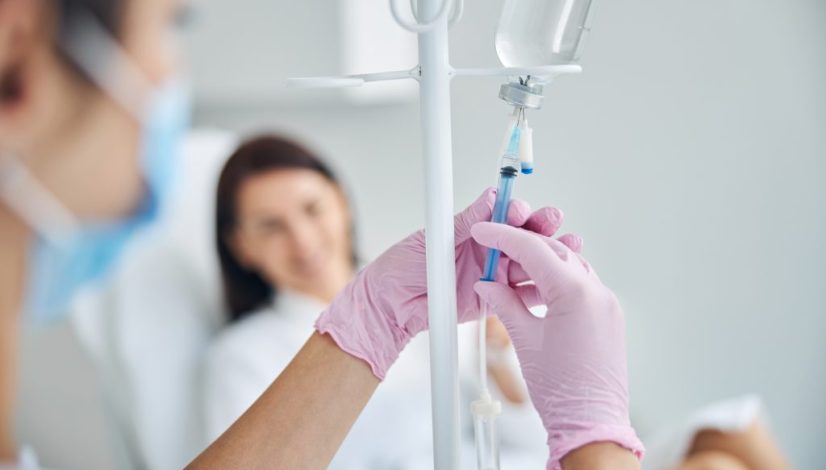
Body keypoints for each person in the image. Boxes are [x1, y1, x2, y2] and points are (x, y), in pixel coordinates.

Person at [0, 1, 645, 468]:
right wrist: (594, 434)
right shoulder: (243, 356)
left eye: (311, 209)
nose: (171, 78)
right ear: (16, 47)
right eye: (173, 24)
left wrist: (382, 314)